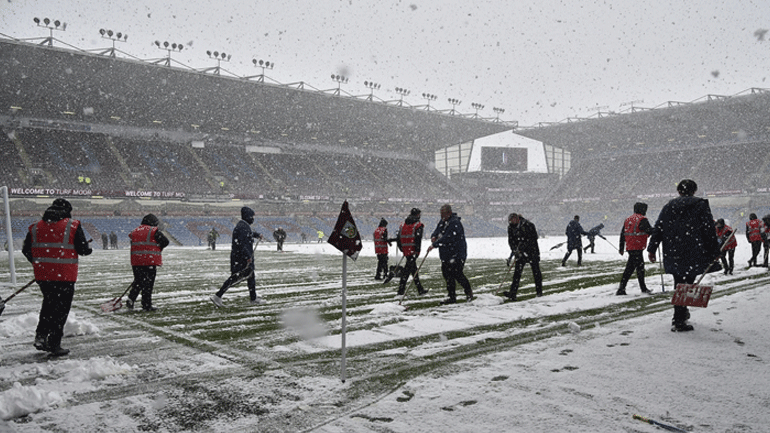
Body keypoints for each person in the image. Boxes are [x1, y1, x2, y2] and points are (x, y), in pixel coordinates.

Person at [22, 198, 92, 356]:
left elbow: (26, 249)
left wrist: (39, 263)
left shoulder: (35, 227)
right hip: (64, 275)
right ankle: (54, 343)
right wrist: (87, 249)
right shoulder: (72, 225)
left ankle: (41, 335)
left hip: (43, 275)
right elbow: (81, 249)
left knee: (48, 304)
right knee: (60, 310)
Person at [648, 179, 720, 332]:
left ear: (679, 191)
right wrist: (714, 251)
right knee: (687, 282)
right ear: (694, 191)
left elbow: (658, 227)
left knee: (679, 283)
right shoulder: (700, 205)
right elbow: (708, 230)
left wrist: (652, 248)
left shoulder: (669, 206)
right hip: (693, 250)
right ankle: (680, 317)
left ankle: (680, 313)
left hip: (673, 250)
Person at [210, 207, 265, 307]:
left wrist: (257, 235)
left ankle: (253, 298)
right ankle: (218, 296)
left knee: (250, 276)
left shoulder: (243, 226)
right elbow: (243, 243)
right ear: (248, 216)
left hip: (239, 257)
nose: (253, 218)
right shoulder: (243, 227)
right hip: (241, 258)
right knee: (235, 278)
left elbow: (248, 235)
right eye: (252, 216)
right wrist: (248, 256)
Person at [428, 204, 473, 304]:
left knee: (457, 274)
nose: (442, 216)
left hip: (456, 254)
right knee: (447, 275)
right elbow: (437, 230)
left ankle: (468, 292)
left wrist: (435, 245)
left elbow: (448, 238)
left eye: (443, 214)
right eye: (441, 214)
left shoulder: (454, 223)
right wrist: (434, 236)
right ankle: (452, 296)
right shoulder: (443, 222)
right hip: (446, 254)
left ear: (449, 213)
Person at [126, 214, 170, 311]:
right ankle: (146, 304)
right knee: (148, 284)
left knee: (138, 281)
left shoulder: (135, 231)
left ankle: (131, 298)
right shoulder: (153, 231)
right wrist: (158, 247)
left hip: (136, 261)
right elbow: (165, 241)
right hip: (149, 260)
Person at [501, 212, 542, 301]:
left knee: (536, 272)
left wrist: (524, 245)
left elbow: (534, 238)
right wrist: (515, 250)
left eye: (513, 220)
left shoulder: (528, 225)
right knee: (517, 274)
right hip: (520, 253)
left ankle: (539, 292)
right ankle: (513, 293)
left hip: (532, 251)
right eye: (510, 221)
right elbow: (511, 241)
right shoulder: (510, 228)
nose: (512, 222)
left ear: (518, 219)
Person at [617, 202, 653, 295]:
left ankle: (622, 288)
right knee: (639, 268)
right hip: (637, 247)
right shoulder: (642, 219)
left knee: (630, 268)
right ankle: (643, 288)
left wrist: (621, 247)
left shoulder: (628, 219)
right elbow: (649, 230)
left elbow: (622, 234)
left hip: (630, 247)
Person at [396, 208, 428, 297]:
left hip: (406, 250)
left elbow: (399, 238)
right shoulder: (418, 225)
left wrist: (402, 248)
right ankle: (401, 291)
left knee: (413, 270)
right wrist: (417, 251)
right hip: (413, 251)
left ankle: (420, 289)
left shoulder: (403, 225)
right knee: (407, 271)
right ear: (418, 215)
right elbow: (418, 240)